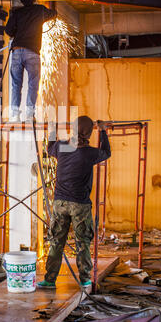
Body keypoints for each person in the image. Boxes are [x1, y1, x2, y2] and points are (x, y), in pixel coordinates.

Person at [37, 116, 111, 289]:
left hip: (60, 203)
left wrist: (53, 129)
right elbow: (106, 152)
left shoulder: (62, 147)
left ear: (73, 130)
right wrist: (103, 131)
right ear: (89, 132)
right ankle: (85, 280)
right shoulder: (91, 153)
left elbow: (49, 147)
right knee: (82, 242)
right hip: (80, 204)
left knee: (56, 241)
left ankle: (49, 280)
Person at [5, 0, 57, 122]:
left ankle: (15, 115)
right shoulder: (39, 10)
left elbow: (8, 31)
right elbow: (53, 14)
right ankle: (29, 115)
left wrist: (18, 30)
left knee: (16, 84)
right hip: (32, 53)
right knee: (33, 83)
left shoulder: (16, 13)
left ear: (21, 0)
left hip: (17, 50)